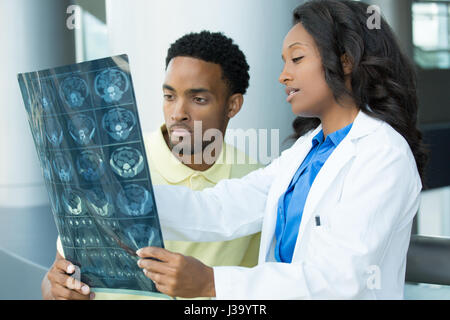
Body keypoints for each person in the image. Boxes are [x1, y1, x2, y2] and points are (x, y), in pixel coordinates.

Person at [135, 0, 427, 299]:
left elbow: (340, 280)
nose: (283, 76)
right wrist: (130, 197)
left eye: (297, 59)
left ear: (345, 61)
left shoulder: (383, 154)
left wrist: (213, 283)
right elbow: (222, 208)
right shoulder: (307, 150)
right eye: (284, 62)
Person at [41, 31, 262, 300]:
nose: (178, 112)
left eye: (198, 99)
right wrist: (59, 290)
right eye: (170, 96)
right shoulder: (108, 165)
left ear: (233, 105)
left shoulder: (256, 180)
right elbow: (53, 280)